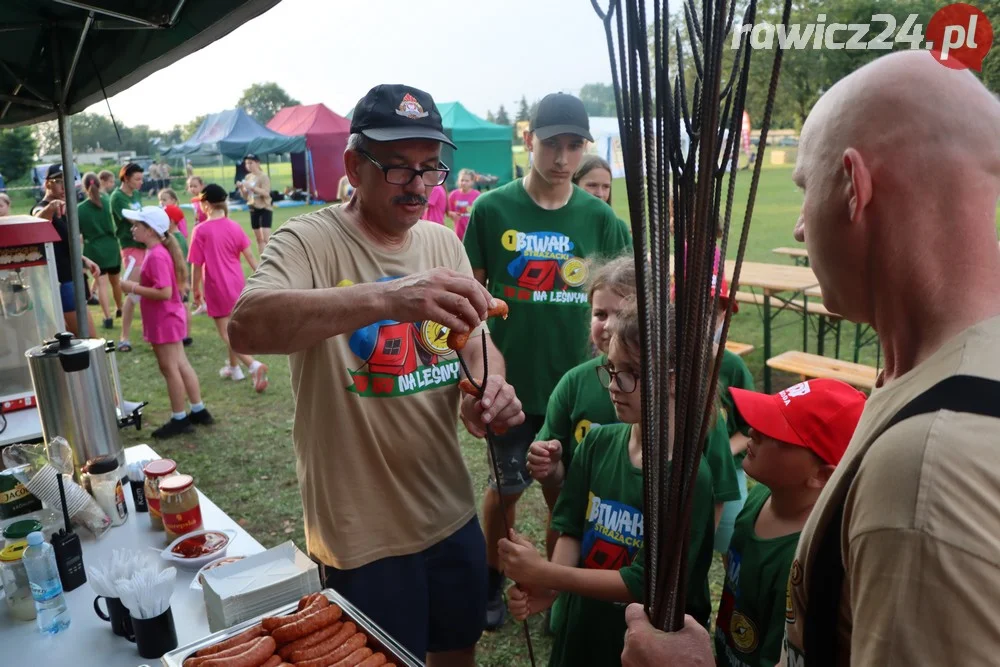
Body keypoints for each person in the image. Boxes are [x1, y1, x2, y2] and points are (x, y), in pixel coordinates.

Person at [621, 50, 1000, 667]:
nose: (800, 227)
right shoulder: (937, 374)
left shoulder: (928, 470)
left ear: (853, 185)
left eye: (806, 188)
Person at [228, 83, 525, 667]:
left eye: (429, 168)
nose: (417, 185)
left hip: (449, 508)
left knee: (455, 652)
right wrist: (390, 297)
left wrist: (487, 389)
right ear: (353, 166)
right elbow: (247, 326)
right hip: (359, 532)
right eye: (397, 169)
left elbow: (477, 341)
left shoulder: (443, 242)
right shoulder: (308, 241)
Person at [464, 91, 633, 631]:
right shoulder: (491, 210)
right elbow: (470, 298)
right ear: (528, 139)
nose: (562, 157)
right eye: (551, 143)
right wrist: (478, 375)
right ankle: (491, 580)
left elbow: (627, 296)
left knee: (570, 496)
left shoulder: (600, 217)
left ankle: (555, 587)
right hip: (511, 389)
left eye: (573, 145)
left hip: (583, 386)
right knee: (505, 492)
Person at [500, 298, 716, 666]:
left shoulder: (688, 478)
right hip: (581, 625)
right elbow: (569, 527)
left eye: (629, 372)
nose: (613, 386)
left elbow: (643, 582)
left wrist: (546, 573)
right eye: (610, 369)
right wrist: (551, 586)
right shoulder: (598, 443)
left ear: (674, 380)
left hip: (645, 645)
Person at [711, 379, 865, 667]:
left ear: (822, 476)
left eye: (776, 432)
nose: (753, 431)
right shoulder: (759, 498)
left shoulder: (807, 561)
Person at [119, 206, 213, 438]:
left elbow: (164, 291)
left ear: (150, 231)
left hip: (164, 320)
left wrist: (131, 287)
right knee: (180, 364)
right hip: (167, 319)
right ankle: (198, 410)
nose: (133, 229)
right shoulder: (156, 252)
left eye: (137, 225)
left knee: (170, 368)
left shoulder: (157, 255)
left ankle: (179, 418)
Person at [188, 184, 267, 391]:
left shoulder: (201, 230)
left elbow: (196, 266)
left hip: (216, 286)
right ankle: (234, 368)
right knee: (233, 329)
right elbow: (251, 258)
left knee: (225, 332)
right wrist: (264, 277)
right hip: (237, 284)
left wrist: (195, 290)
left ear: (205, 204)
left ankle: (252, 365)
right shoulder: (234, 226)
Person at [712, 278, 756, 557]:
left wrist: (720, 451)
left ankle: (732, 601)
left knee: (733, 549)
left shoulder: (732, 367)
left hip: (727, 472)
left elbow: (750, 427)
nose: (706, 319)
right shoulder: (660, 360)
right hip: (674, 473)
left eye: (715, 312)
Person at [31, 164, 100, 336]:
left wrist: (83, 259)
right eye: (59, 181)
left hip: (73, 275)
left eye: (68, 181)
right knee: (87, 339)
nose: (64, 187)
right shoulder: (44, 207)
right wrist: (50, 208)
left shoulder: (64, 207)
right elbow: (36, 218)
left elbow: (63, 245)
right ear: (47, 184)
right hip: (63, 280)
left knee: (79, 340)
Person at [78, 172, 123, 330]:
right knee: (115, 282)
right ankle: (120, 308)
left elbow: (79, 233)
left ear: (84, 187)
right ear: (99, 184)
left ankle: (107, 317)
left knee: (102, 284)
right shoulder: (108, 202)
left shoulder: (80, 209)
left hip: (94, 250)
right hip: (111, 246)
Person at [111, 162, 146, 351]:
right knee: (133, 294)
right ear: (126, 178)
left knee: (147, 290)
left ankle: (150, 332)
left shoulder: (137, 194)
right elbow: (135, 218)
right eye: (137, 179)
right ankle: (124, 338)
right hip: (131, 247)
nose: (141, 182)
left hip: (145, 246)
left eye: (142, 178)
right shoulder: (117, 197)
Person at [237, 153, 273, 255]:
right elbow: (245, 196)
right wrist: (241, 188)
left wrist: (252, 188)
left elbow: (266, 193)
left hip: (264, 208)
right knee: (258, 239)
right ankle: (263, 259)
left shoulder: (263, 177)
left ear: (257, 163)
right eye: (246, 163)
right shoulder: (248, 177)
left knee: (266, 238)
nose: (248, 165)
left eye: (250, 163)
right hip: (253, 208)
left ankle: (271, 258)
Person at [447, 169, 479, 240]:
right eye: (462, 180)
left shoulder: (477, 195)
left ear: (472, 182)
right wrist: (452, 214)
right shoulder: (453, 195)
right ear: (458, 181)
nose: (464, 183)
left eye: (467, 181)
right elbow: (448, 211)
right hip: (458, 233)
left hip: (472, 232)